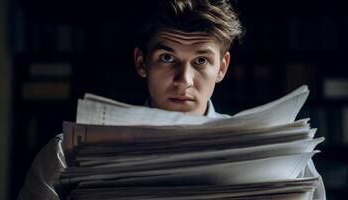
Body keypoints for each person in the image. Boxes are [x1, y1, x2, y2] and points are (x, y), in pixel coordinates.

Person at [18, 0, 326, 199]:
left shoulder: (282, 157)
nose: (184, 80)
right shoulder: (67, 154)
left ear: (222, 67)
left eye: (201, 61)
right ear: (142, 63)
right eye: (167, 57)